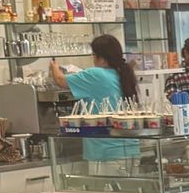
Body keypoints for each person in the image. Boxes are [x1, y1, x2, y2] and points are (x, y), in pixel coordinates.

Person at [49, 34, 137, 163]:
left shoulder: (96, 74)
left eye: (94, 54)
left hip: (106, 151)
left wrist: (54, 66)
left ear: (102, 59)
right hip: (130, 149)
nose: (93, 58)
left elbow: (60, 80)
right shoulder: (122, 73)